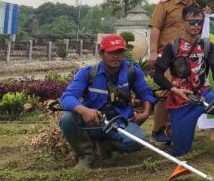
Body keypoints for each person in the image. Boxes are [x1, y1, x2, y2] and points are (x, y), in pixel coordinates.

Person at [153, 5, 214, 158]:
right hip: (180, 99)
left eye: (200, 22)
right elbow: (157, 76)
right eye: (192, 21)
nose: (196, 25)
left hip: (203, 95)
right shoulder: (172, 47)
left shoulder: (207, 46)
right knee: (181, 152)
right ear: (183, 22)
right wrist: (174, 89)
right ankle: (176, 134)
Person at [59, 35, 156, 168]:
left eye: (119, 52)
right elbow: (67, 97)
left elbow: (146, 94)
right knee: (67, 118)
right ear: (101, 53)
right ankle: (86, 156)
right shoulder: (88, 73)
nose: (116, 57)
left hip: (120, 123)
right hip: (93, 124)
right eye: (111, 53)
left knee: (137, 141)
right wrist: (85, 111)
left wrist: (145, 113)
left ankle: (106, 146)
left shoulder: (132, 71)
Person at [148, 0, 202, 145]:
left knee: (186, 91)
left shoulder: (196, 7)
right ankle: (158, 130)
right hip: (167, 54)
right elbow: (155, 28)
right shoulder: (165, 5)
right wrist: (152, 51)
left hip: (189, 57)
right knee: (168, 90)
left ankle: (174, 132)